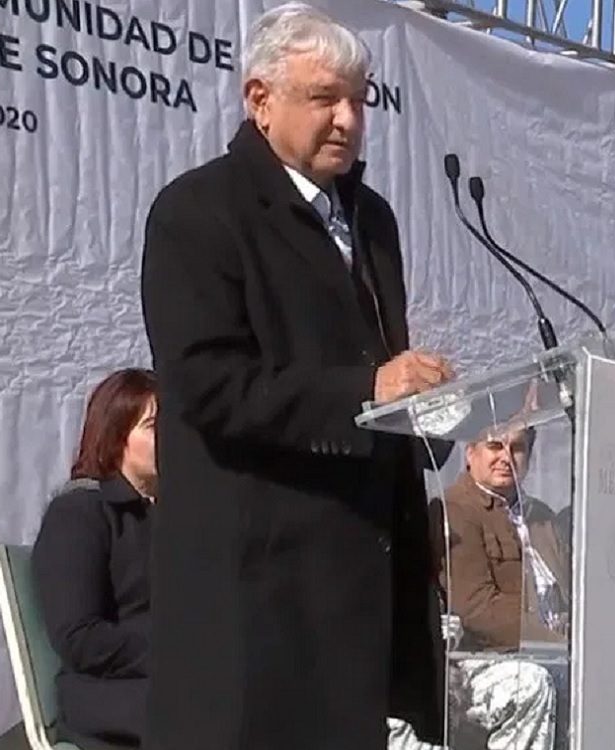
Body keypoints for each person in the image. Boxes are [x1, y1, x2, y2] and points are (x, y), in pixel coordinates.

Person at [139, 5, 452, 748]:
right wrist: (367, 391)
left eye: (359, 101)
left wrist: (428, 403)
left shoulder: (372, 219)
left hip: (361, 579)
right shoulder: (198, 211)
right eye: (324, 98)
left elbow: (377, 369)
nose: (347, 119)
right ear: (260, 100)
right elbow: (207, 385)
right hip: (260, 591)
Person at [31, 369, 157, 749]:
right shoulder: (79, 513)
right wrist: (178, 647)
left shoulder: (175, 515)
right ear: (116, 437)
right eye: (154, 426)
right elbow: (80, 638)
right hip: (111, 694)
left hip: (171, 679)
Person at [435, 427, 564, 750]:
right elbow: (477, 609)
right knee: (536, 683)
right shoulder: (454, 510)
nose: (506, 457)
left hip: (561, 650)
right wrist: (560, 644)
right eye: (495, 446)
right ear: (470, 452)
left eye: (517, 448)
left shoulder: (542, 516)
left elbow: (573, 591)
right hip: (485, 658)